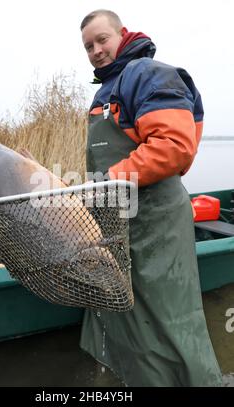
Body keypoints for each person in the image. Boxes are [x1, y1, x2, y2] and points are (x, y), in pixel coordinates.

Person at [79, 9, 222, 387]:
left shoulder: (147, 74)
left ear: (122, 34)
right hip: (120, 222)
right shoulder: (103, 92)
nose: (96, 50)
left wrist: (108, 180)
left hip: (156, 222)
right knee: (123, 318)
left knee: (169, 321)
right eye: (88, 46)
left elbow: (174, 146)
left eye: (102, 40)